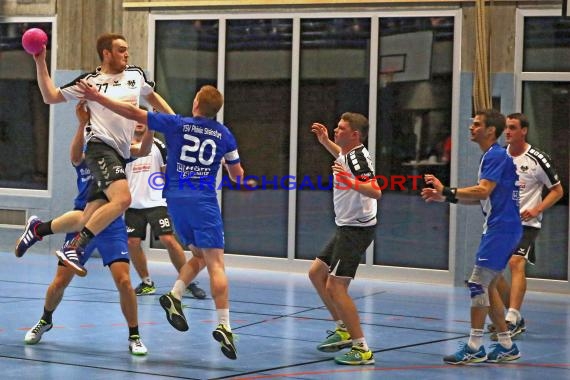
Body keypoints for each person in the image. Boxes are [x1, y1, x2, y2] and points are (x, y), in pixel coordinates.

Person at [78, 83, 246, 360]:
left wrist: (98, 97)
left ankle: (176, 295)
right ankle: (224, 325)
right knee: (216, 263)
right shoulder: (224, 134)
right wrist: (226, 166)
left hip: (175, 202)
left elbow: (132, 112)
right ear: (216, 110)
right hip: (203, 201)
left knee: (199, 257)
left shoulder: (177, 124)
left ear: (195, 105)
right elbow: (238, 174)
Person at [15, 33, 173, 277]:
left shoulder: (135, 75)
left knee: (87, 217)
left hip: (119, 154)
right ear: (106, 53)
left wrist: (176, 121)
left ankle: (38, 229)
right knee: (122, 200)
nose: (126, 54)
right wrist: (40, 61)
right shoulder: (89, 82)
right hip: (100, 147)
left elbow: (153, 99)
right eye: (121, 50)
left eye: (127, 49)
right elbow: (50, 96)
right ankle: (75, 247)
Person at [24, 102, 147, 355]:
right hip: (82, 220)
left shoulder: (117, 153)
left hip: (111, 224)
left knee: (124, 281)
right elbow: (74, 157)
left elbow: (143, 149)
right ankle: (45, 320)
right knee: (60, 282)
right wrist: (82, 123)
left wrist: (150, 126)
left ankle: (134, 335)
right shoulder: (88, 153)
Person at [422, 109, 523, 364]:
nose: (471, 128)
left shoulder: (497, 156)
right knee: (488, 286)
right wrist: (446, 197)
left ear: (490, 130)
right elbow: (484, 196)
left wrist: (446, 188)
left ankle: (475, 345)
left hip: (502, 229)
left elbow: (482, 190)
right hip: (500, 227)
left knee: (477, 283)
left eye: (476, 124)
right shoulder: (492, 156)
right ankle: (506, 345)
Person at [308, 113, 381, 365]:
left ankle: (361, 348)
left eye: (340, 129)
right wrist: (326, 141)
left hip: (356, 230)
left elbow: (375, 190)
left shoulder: (359, 157)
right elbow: (344, 158)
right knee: (317, 273)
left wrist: (348, 181)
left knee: (335, 286)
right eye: (336, 127)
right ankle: (342, 329)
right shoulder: (350, 153)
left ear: (355, 135)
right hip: (345, 227)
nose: (336, 131)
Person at [490, 113, 563, 338]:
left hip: (527, 224)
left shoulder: (537, 158)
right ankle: (516, 317)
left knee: (515, 262)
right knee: (492, 271)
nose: (508, 132)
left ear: (524, 131)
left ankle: (511, 317)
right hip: (501, 223)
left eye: (512, 128)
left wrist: (537, 209)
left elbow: (557, 191)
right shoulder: (499, 156)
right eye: (506, 128)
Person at [126, 123, 206, 299]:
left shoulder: (157, 145)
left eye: (143, 119)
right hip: (132, 204)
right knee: (132, 242)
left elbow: (165, 172)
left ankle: (187, 282)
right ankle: (146, 282)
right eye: (135, 119)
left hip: (156, 201)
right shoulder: (123, 146)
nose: (139, 123)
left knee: (167, 239)